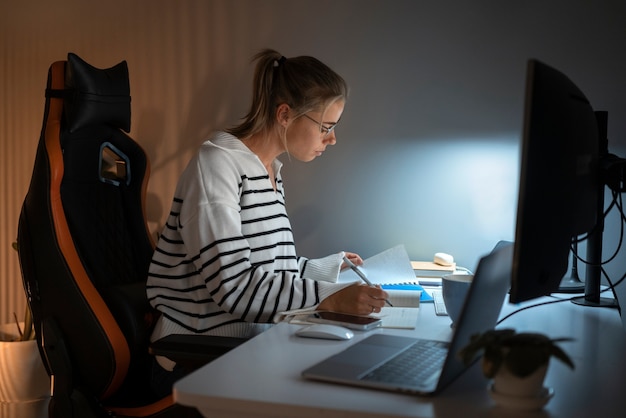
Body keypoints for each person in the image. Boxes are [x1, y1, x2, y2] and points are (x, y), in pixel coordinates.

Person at [146, 48, 388, 396]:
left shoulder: (268, 171)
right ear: (286, 115)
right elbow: (237, 288)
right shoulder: (217, 166)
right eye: (326, 127)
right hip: (198, 360)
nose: (332, 139)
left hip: (250, 347)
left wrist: (328, 269)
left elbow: (267, 268)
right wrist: (330, 298)